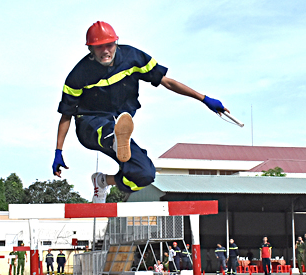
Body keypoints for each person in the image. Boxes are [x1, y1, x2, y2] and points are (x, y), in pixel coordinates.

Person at [52, 21, 231, 203]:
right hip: (90, 126)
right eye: (99, 47)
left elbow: (166, 81)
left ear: (116, 43)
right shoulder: (78, 75)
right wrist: (59, 150)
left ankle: (103, 180)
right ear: (90, 48)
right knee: (106, 129)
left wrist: (204, 98)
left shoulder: (132, 57)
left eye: (109, 45)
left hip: (119, 124)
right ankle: (115, 138)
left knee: (144, 174)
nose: (105, 51)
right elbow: (66, 115)